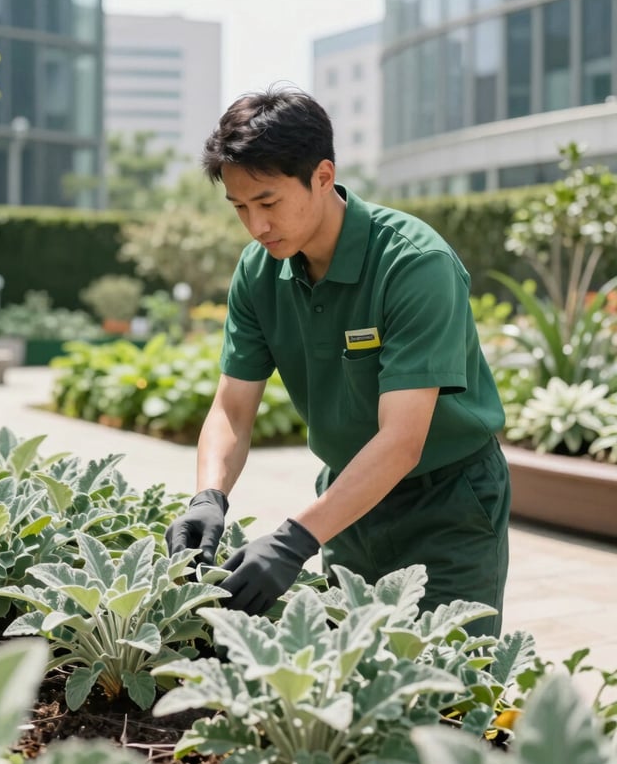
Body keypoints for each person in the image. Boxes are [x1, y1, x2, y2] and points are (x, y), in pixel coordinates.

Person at [165, 86, 511, 636]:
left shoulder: (414, 264)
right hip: (347, 501)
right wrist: (209, 496)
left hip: (448, 505)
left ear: (323, 176)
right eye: (241, 208)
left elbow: (402, 440)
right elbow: (232, 409)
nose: (256, 226)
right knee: (350, 690)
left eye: (269, 202)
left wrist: (294, 539)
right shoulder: (259, 272)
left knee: (447, 693)